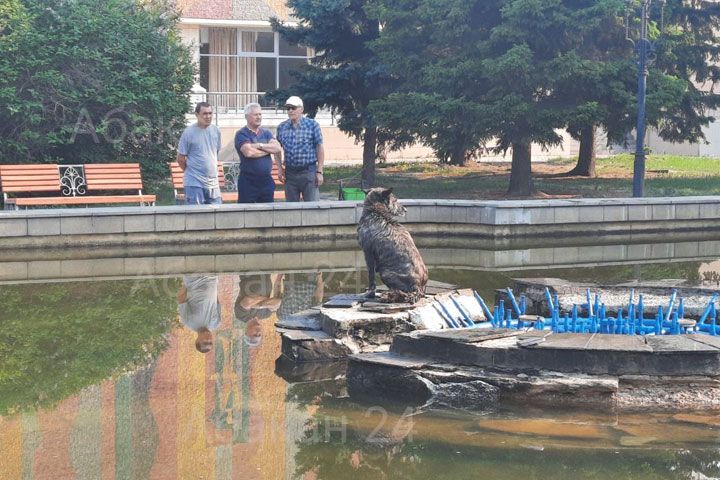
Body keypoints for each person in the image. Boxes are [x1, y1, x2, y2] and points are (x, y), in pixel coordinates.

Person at [275, 96, 325, 202]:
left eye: (293, 108)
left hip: (308, 172)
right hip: (290, 174)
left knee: (312, 207)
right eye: (288, 108)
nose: (290, 111)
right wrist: (280, 169)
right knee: (291, 209)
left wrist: (319, 172)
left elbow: (319, 147)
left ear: (301, 109)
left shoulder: (312, 125)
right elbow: (276, 149)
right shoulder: (281, 127)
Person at [234, 103, 283, 203]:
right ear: (247, 117)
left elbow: (277, 148)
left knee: (268, 214)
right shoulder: (242, 134)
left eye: (260, 114)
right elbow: (249, 153)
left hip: (266, 181)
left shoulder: (266, 133)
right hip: (248, 182)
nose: (259, 117)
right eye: (255, 115)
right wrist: (268, 150)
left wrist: (259, 146)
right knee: (246, 214)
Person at [176, 102, 222, 205]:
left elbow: (215, 152)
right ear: (197, 115)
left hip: (213, 184)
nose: (208, 116)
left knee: (217, 217)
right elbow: (180, 158)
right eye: (205, 114)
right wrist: (192, 171)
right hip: (194, 183)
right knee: (195, 218)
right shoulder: (188, 133)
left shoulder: (216, 131)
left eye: (210, 113)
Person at [177, 275, 221, 353]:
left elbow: (181, 298)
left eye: (205, 342)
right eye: (210, 342)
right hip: (212, 276)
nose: (208, 339)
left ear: (197, 341)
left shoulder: (189, 323)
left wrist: (187, 282)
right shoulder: (216, 323)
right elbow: (216, 302)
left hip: (193, 278)